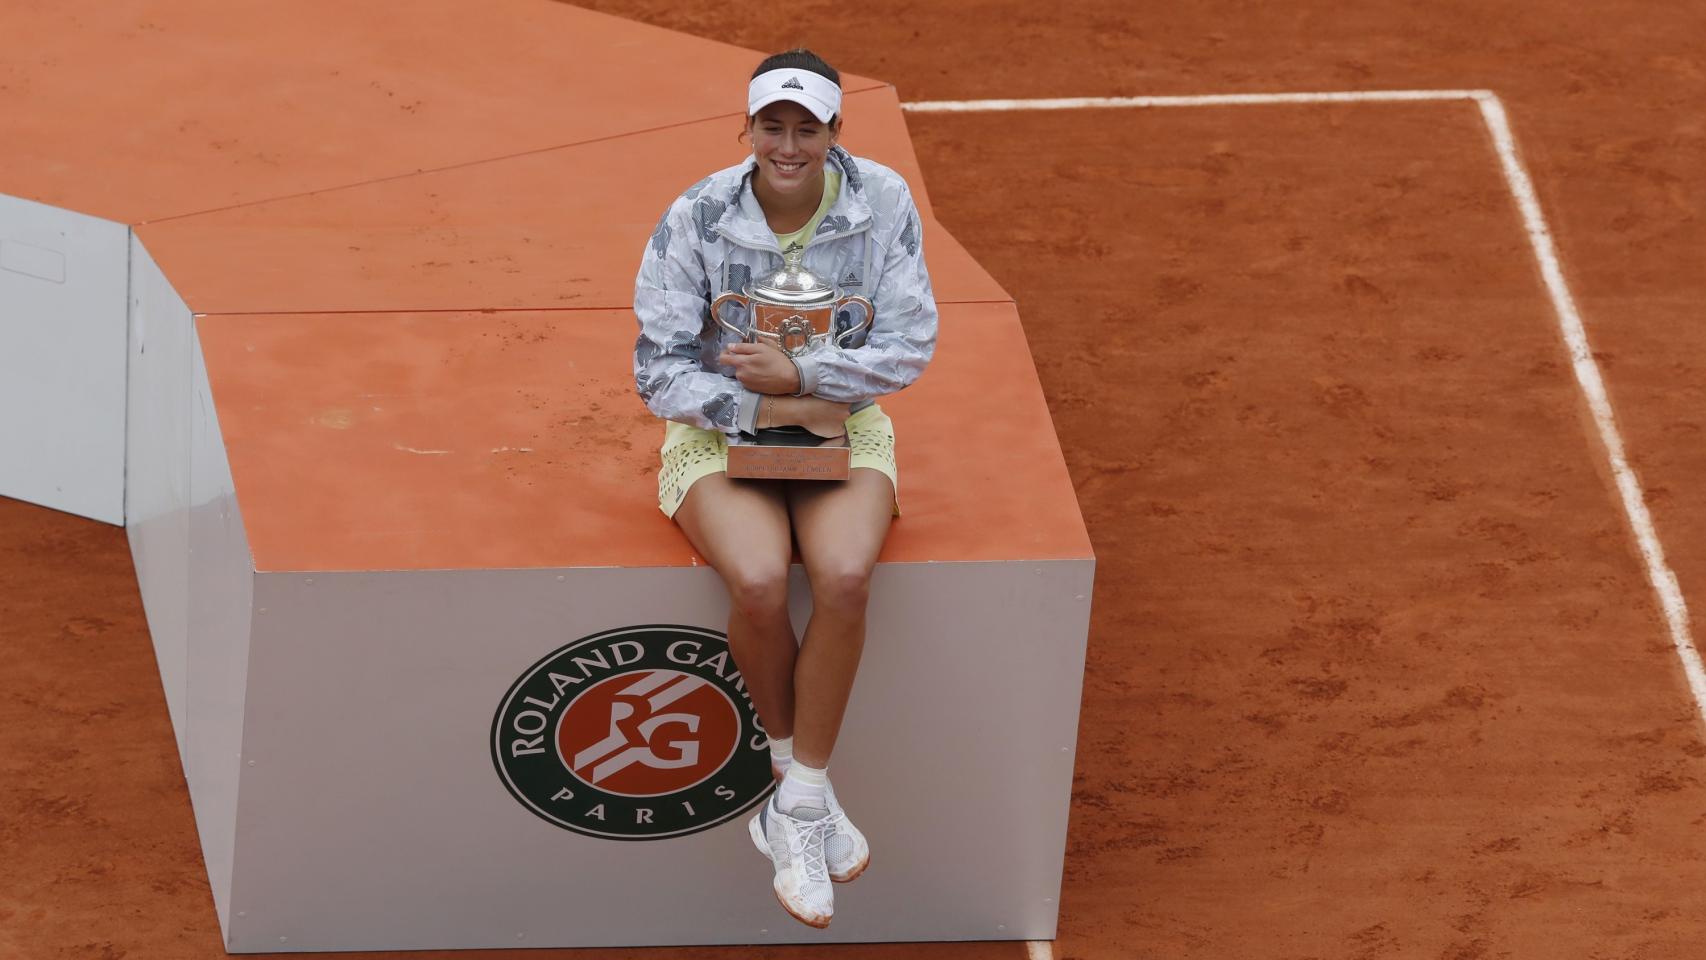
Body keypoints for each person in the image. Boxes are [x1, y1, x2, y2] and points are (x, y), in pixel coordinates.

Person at [632, 49, 937, 928]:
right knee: (762, 582)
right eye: (774, 126)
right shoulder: (696, 213)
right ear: (750, 129)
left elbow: (909, 345)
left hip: (842, 424)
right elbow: (658, 372)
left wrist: (802, 378)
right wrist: (764, 405)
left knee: (842, 577)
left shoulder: (881, 201)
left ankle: (798, 798)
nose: (790, 145)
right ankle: (797, 788)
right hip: (717, 434)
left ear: (836, 133)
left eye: (809, 128)